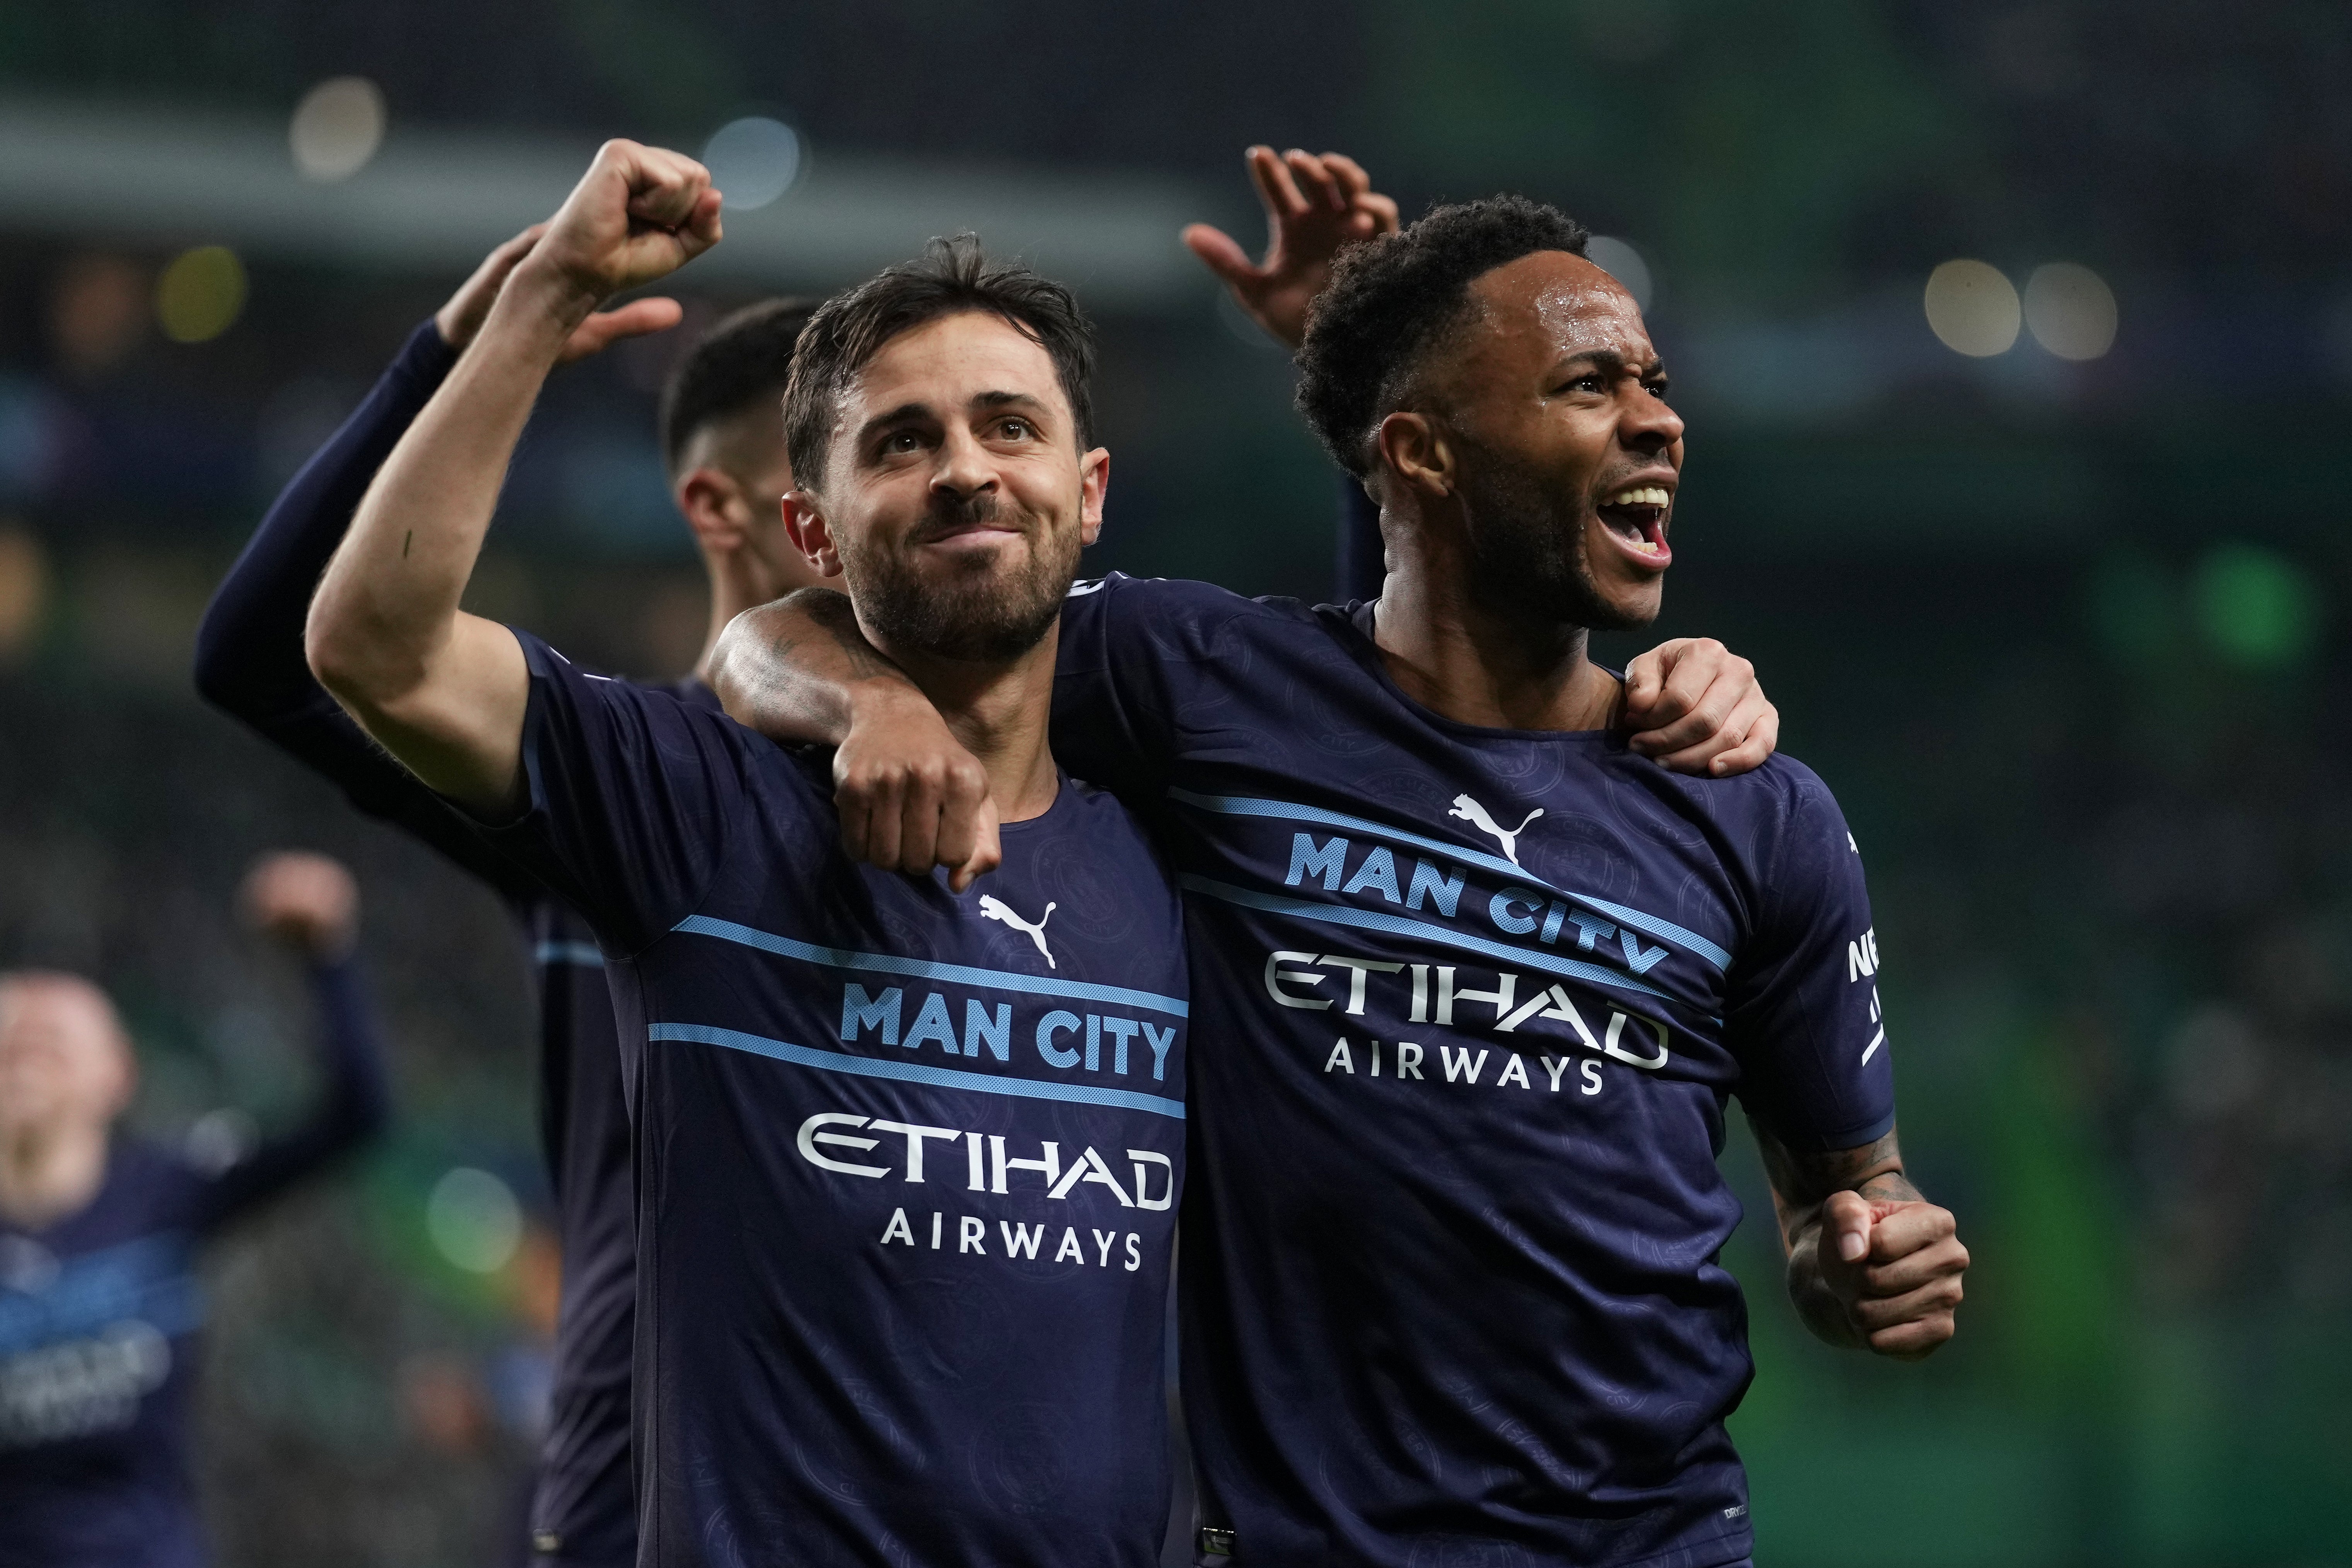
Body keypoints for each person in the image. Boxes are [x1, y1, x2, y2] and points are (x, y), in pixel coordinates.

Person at [710, 196, 1970, 1566]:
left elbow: (1849, 1205)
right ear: (1421, 455)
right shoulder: (1193, 680)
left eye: (1653, 387)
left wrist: (1872, 1257)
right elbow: (772, 638)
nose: (1657, 421)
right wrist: (873, 710)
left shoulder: (1754, 808)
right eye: (1589, 385)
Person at [299, 138, 1199, 1565]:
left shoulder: (1180, 853)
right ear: (812, 532)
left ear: (1087, 492)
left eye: (1007, 426)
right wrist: (547, 297)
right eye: (901, 443)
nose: (965, 467)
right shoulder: (695, 803)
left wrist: (1687, 678)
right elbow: (375, 651)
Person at [195, 230, 823, 1568]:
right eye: (838, 453)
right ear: (722, 504)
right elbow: (262, 658)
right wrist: (456, 354)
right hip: (638, 1488)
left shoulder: (992, 793)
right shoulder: (597, 781)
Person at [0, 851, 390, 1568]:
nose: (27, 1042)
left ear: (116, 1075)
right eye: (12, 1041)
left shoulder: (165, 1186)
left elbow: (353, 1118)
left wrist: (328, 960)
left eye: (53, 1041)